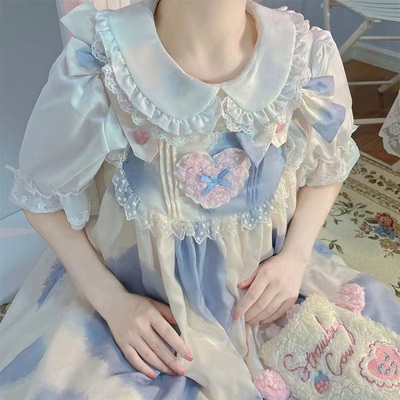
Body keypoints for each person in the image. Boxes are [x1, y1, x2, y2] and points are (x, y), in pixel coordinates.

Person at [0, 0, 399, 399]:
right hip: (145, 304)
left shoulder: (304, 54)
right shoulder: (102, 64)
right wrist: (112, 302)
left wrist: (295, 257)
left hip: (267, 292)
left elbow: (328, 166)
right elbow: (41, 197)